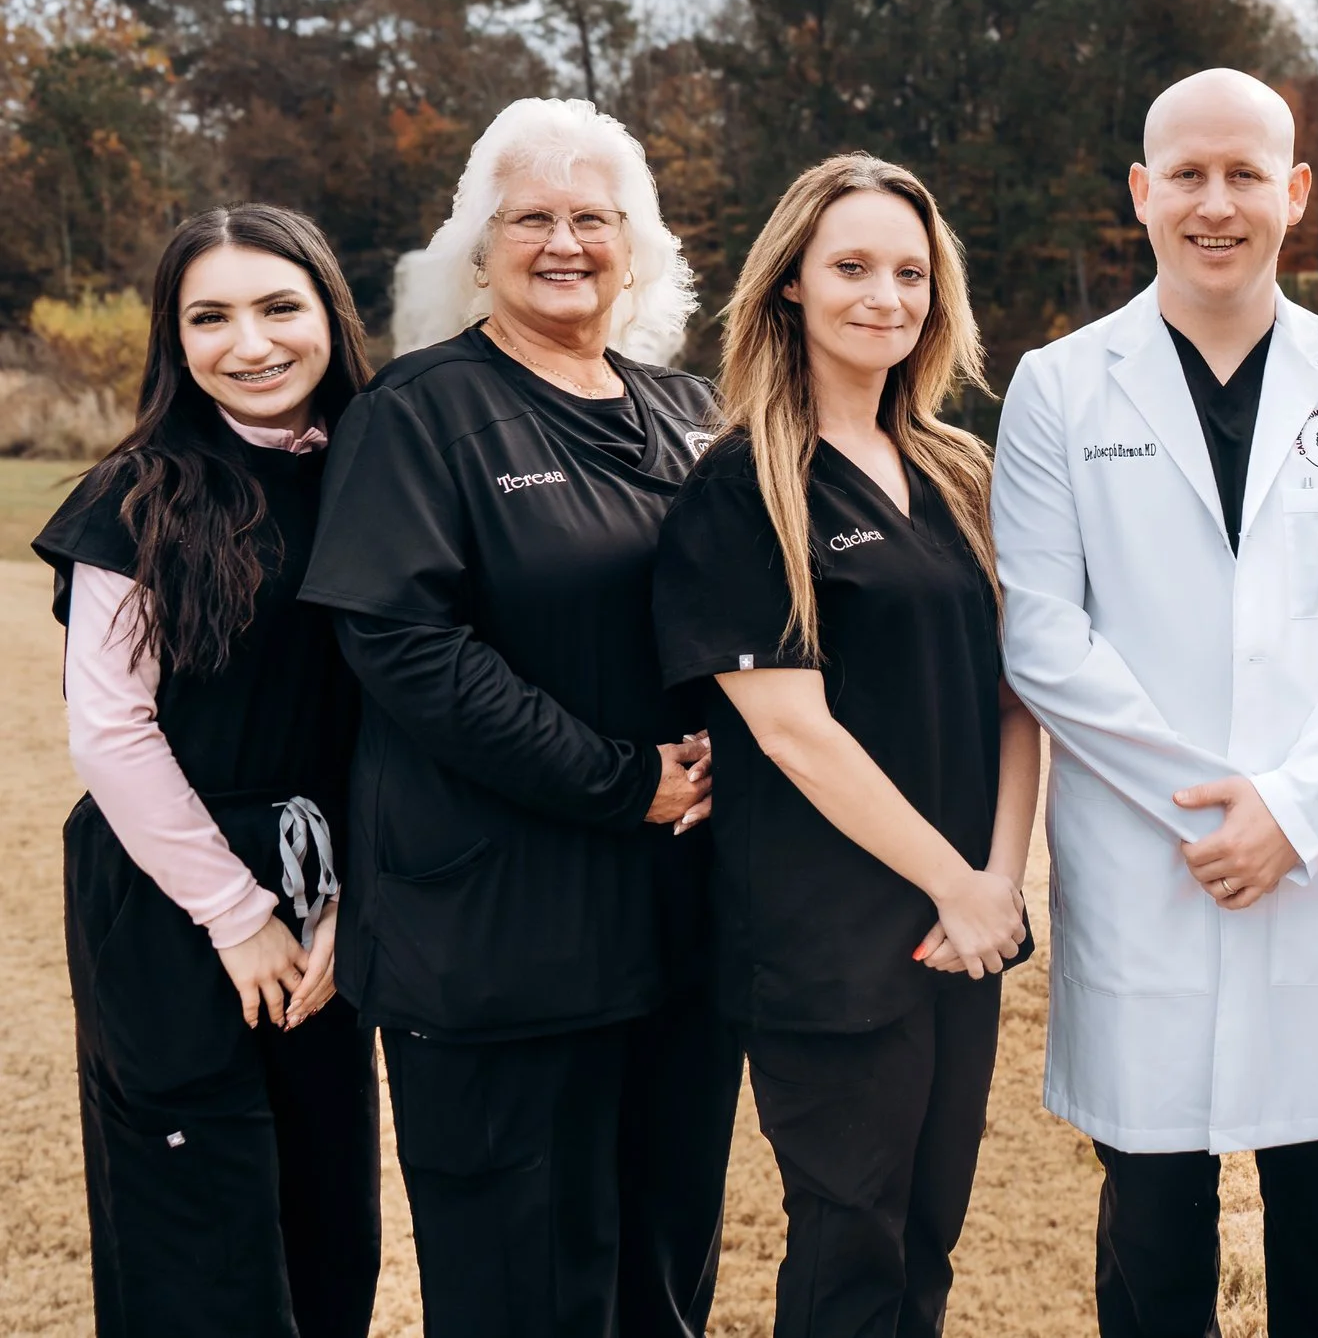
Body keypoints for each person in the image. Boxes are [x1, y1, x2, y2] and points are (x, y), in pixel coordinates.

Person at [993, 67, 1318, 1338]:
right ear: (1139, 195)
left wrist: (1289, 812)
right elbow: (1041, 631)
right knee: (1150, 1230)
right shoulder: (1060, 385)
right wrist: (1209, 808)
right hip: (1149, 860)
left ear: (1295, 194)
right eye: (1186, 174)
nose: (1215, 202)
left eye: (1246, 173)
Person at [299, 98, 742, 1338]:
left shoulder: (691, 409)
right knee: (522, 1294)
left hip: (677, 934)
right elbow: (402, 644)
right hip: (495, 939)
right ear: (474, 249)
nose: (564, 241)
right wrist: (619, 778)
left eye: (593, 217)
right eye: (529, 217)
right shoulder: (418, 413)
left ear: (637, 245)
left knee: (662, 1273)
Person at [652, 152, 1041, 1338]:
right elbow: (793, 732)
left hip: (963, 923)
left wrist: (997, 885)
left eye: (911, 272)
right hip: (824, 938)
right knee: (850, 1241)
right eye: (852, 266)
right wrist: (952, 882)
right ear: (789, 289)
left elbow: (1019, 696)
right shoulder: (742, 485)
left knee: (927, 1232)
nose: (886, 293)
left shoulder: (959, 471)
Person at [35, 204, 380, 1338]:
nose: (251, 340)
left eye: (280, 305)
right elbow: (113, 730)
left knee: (328, 1225)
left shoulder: (374, 477)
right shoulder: (138, 496)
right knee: (202, 1240)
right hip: (175, 902)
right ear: (173, 340)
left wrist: (353, 900)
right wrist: (236, 913)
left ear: (330, 310)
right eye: (211, 315)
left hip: (331, 888)